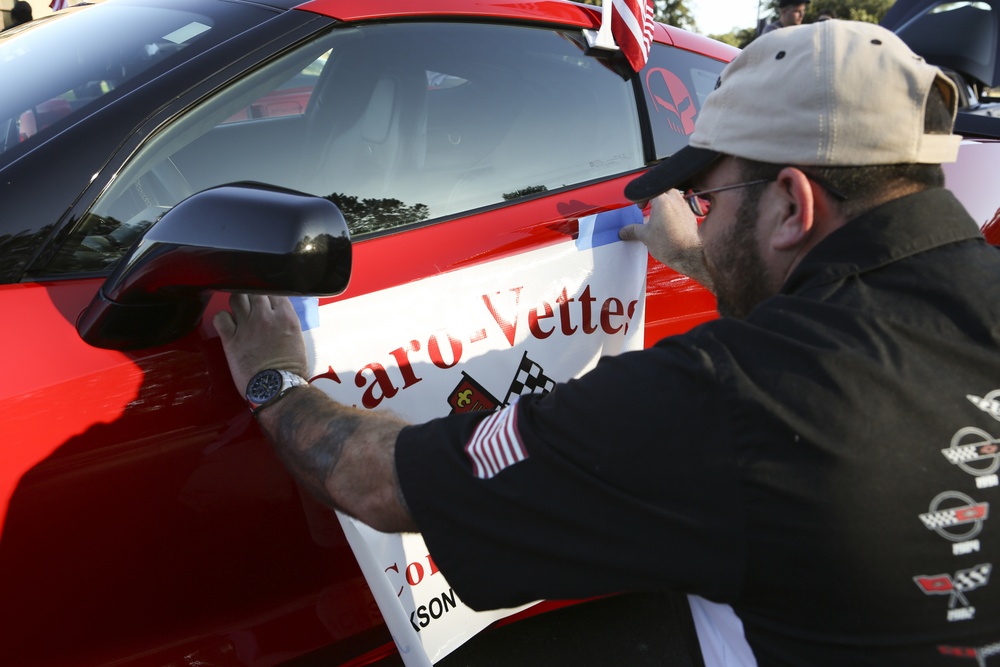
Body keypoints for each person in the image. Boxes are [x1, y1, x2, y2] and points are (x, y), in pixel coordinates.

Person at [214, 20, 1000, 666]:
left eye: (708, 197)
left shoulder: (733, 398)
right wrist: (697, 253)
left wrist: (274, 379)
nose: (704, 219)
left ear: (793, 205)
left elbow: (377, 480)